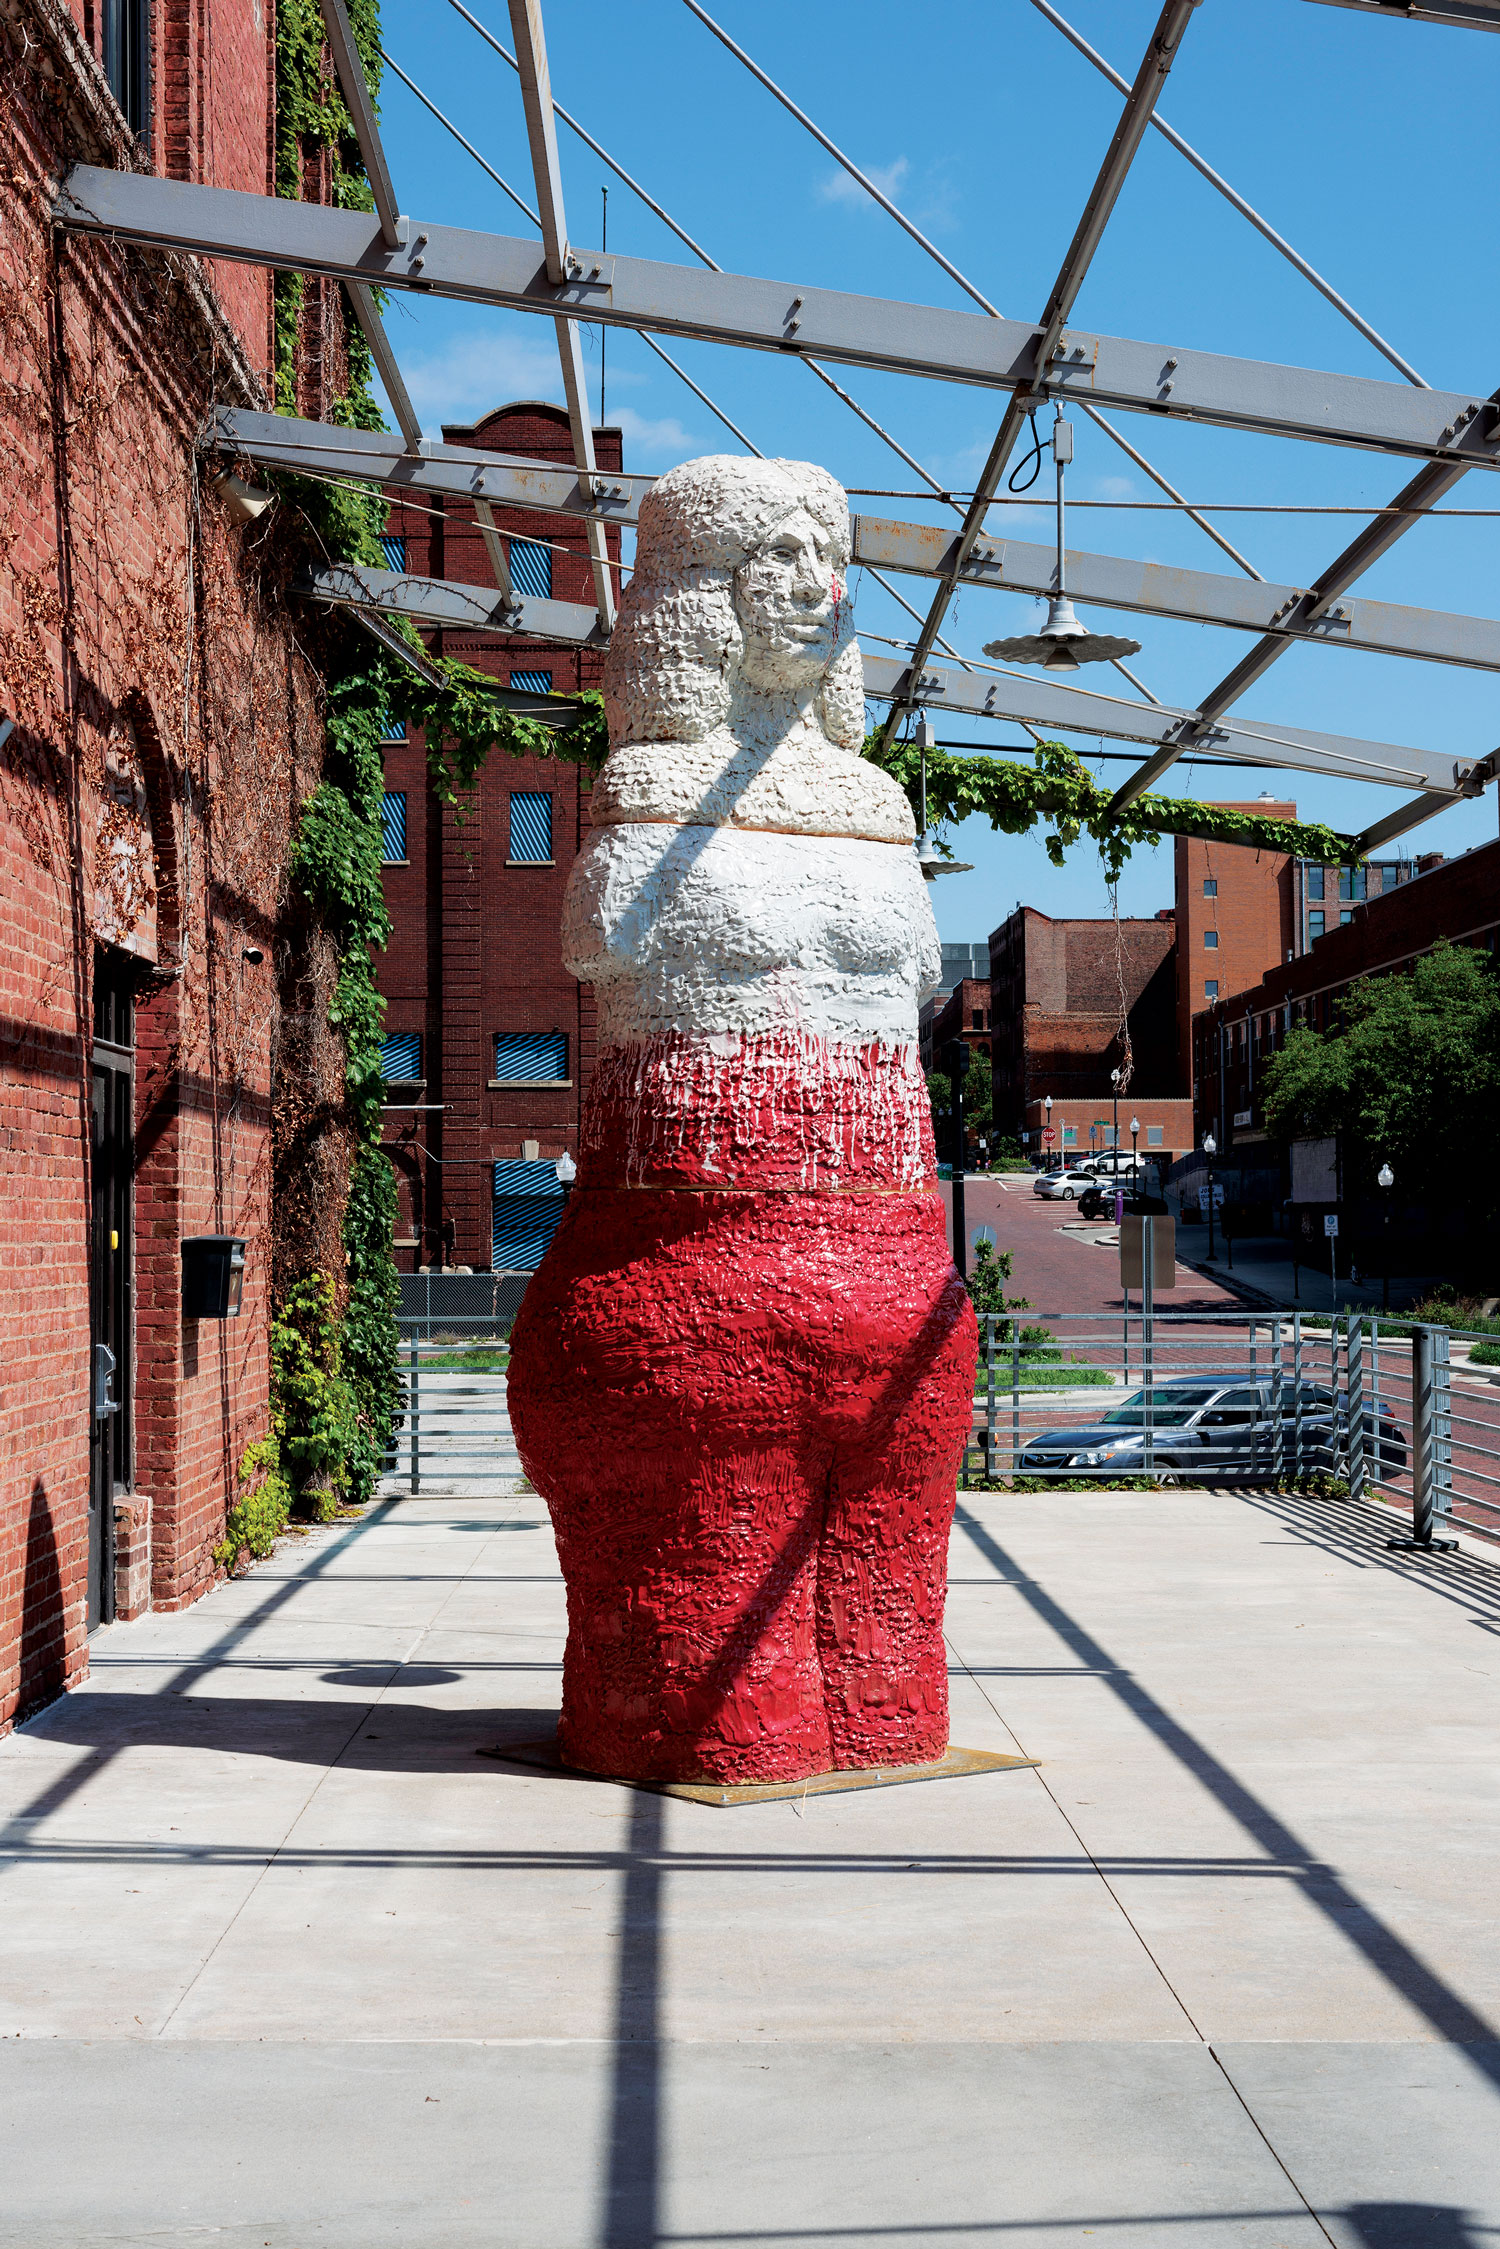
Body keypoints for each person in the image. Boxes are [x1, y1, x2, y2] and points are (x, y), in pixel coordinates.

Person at [507, 456, 976, 1786]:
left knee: (895, 1700)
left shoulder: (877, 807)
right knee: (731, 1711)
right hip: (686, 1300)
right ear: (701, 592)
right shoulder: (649, 790)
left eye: (829, 554)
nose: (815, 585)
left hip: (894, 1305)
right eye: (774, 553)